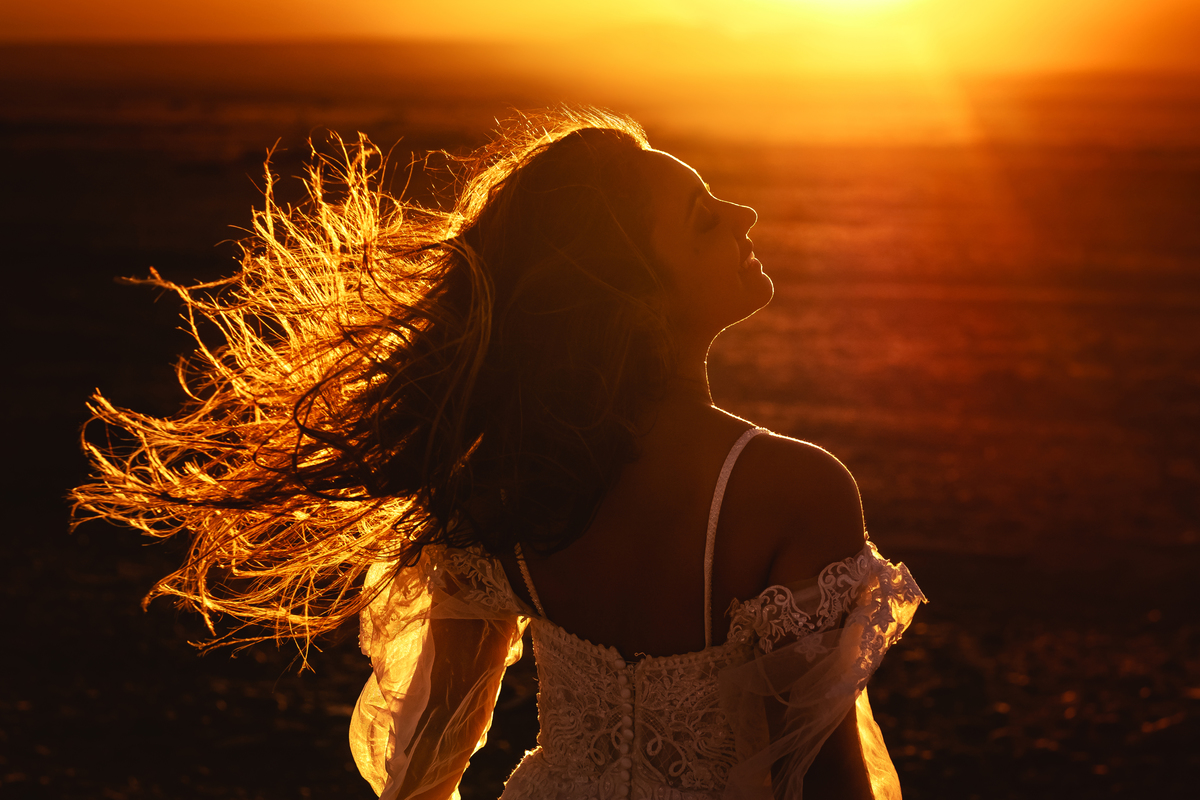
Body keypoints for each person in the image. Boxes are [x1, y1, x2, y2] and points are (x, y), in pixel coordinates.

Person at [73, 108, 925, 799]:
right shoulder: (793, 490)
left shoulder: (502, 475)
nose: (744, 215)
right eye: (704, 220)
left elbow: (441, 737)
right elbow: (822, 771)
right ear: (630, 297)